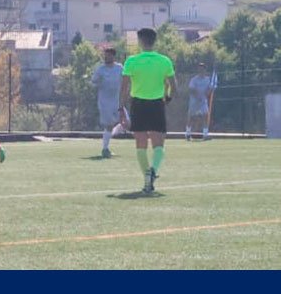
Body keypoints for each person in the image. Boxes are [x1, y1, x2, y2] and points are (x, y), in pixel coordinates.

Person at [120, 27, 176, 194]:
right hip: (156, 104)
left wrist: (121, 107)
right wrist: (167, 98)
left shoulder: (131, 61)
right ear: (154, 41)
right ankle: (153, 171)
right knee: (159, 144)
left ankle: (146, 175)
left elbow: (123, 88)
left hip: (138, 104)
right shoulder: (164, 61)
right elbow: (174, 86)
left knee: (141, 143)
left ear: (140, 41)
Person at [90, 46, 125, 158]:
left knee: (127, 122)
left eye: (109, 55)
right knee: (109, 125)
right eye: (105, 55)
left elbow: (126, 80)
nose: (106, 57)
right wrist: (97, 82)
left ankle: (109, 136)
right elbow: (93, 82)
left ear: (113, 56)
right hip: (105, 102)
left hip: (118, 101)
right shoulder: (100, 69)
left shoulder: (119, 68)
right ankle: (105, 149)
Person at [185, 62, 216, 141]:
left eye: (202, 68)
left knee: (205, 116)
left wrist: (209, 91)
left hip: (203, 101)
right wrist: (197, 97)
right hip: (194, 101)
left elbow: (210, 89)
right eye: (199, 68)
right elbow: (191, 89)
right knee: (191, 117)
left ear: (205, 70)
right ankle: (187, 134)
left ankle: (205, 135)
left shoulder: (208, 79)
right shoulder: (194, 79)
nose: (201, 70)